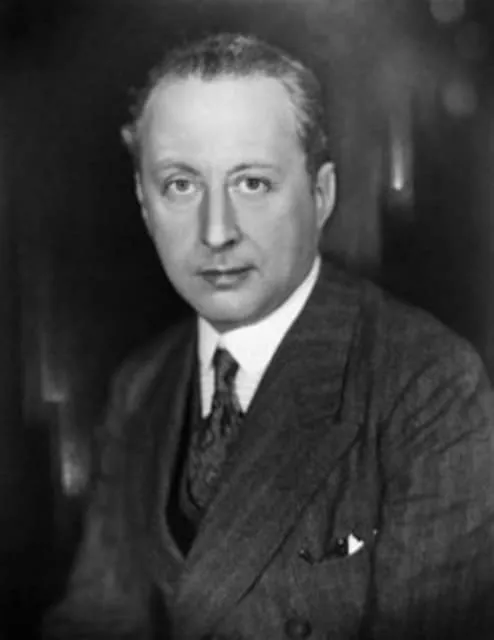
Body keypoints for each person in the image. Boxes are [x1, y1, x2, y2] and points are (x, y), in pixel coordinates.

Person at [43, 32, 494, 640]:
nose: (216, 231)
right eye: (181, 185)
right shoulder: (141, 386)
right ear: (145, 206)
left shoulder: (429, 384)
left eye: (252, 183)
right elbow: (97, 619)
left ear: (321, 195)